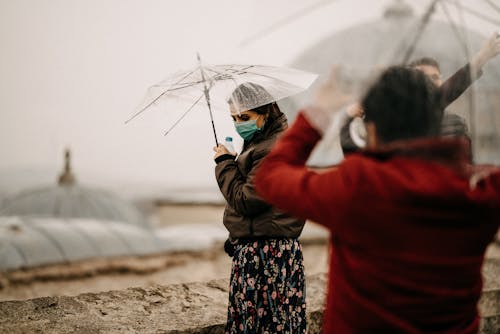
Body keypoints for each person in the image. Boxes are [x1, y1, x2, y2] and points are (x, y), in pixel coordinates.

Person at [254, 66, 500, 333]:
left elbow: (271, 176)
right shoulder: (483, 191)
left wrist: (319, 112)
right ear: (435, 121)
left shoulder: (361, 186)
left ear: (371, 130)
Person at [213, 82, 307, 334]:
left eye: (244, 117)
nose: (238, 123)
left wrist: (224, 163)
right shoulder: (264, 143)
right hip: (263, 250)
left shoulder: (271, 149)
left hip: (267, 255)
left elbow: (248, 200)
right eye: (233, 117)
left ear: (266, 112)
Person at [340, 31, 500, 154]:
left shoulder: (456, 124)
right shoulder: (389, 123)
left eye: (435, 77)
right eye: (421, 78)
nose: (428, 84)